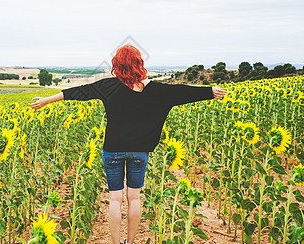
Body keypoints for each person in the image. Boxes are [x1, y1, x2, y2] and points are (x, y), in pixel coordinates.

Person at [28, 45, 227, 244]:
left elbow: (79, 91)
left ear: (117, 64)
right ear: (139, 63)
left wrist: (47, 100)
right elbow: (182, 92)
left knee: (115, 199)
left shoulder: (108, 86)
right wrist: (210, 91)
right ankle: (130, 242)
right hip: (140, 152)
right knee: (134, 197)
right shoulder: (156, 89)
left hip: (113, 150)